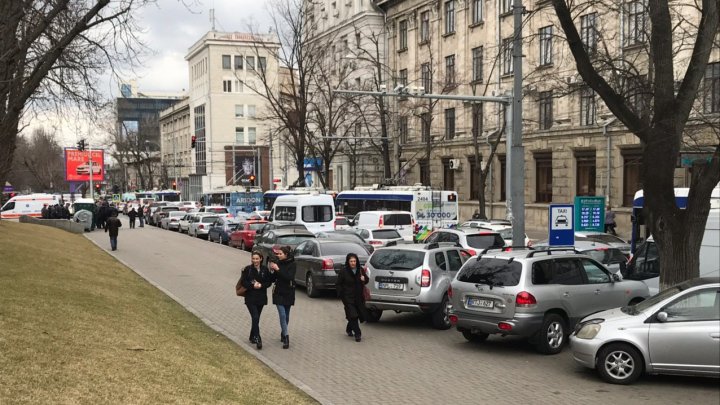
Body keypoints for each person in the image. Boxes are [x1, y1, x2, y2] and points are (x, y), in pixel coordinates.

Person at [241, 251, 273, 350]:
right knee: (255, 316)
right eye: (253, 258)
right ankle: (258, 338)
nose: (255, 260)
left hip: (261, 298)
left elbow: (269, 282)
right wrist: (252, 285)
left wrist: (261, 285)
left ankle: (252, 336)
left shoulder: (265, 269)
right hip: (250, 297)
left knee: (256, 318)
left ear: (261, 259)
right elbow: (244, 282)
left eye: (257, 259)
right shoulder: (247, 269)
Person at [335, 253, 369, 342]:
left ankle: (349, 329)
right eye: (351, 261)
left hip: (358, 297)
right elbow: (338, 284)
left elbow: (366, 280)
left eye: (354, 261)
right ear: (348, 262)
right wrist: (341, 295)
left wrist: (364, 279)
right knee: (353, 315)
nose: (353, 263)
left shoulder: (360, 270)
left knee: (356, 314)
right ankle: (358, 334)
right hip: (347, 297)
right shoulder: (344, 271)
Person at [268, 245, 296, 349]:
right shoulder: (278, 263)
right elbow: (272, 279)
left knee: (287, 315)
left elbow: (289, 277)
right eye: (278, 254)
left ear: (286, 254)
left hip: (288, 292)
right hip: (278, 292)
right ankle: (286, 337)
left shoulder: (293, 264)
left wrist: (278, 269)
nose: (278, 255)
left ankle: (283, 332)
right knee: (282, 315)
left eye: (280, 254)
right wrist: (272, 270)